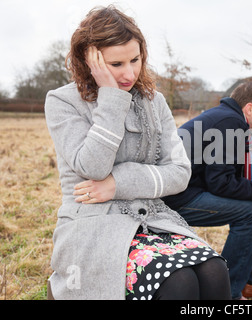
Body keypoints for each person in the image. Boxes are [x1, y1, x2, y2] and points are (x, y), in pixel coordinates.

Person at [45, 5, 230, 300]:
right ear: (89, 61)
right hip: (95, 225)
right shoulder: (63, 102)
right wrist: (112, 98)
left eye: (135, 59)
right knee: (178, 282)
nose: (129, 73)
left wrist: (118, 184)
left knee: (214, 270)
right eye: (115, 64)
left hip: (154, 219)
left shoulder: (154, 101)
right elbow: (91, 167)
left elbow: (180, 172)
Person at [162, 82, 252, 300]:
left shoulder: (227, 118)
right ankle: (228, 293)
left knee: (247, 209)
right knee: (250, 212)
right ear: (250, 108)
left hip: (186, 188)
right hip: (175, 198)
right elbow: (222, 183)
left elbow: (233, 171)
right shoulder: (230, 123)